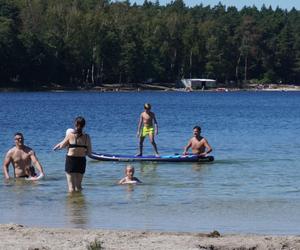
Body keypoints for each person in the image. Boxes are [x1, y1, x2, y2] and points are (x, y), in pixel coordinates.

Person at [53, 116, 92, 192]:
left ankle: (72, 203)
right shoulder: (87, 137)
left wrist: (64, 145)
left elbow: (62, 146)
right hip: (81, 161)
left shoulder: (70, 135)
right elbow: (89, 152)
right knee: (79, 186)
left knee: (71, 188)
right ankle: (80, 203)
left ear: (75, 124)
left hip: (71, 160)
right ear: (84, 125)